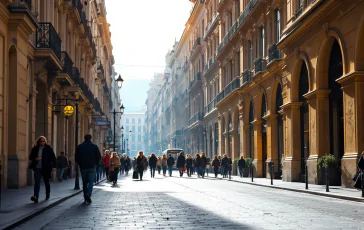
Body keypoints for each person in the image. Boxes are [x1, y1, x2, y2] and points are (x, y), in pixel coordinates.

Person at [29, 136, 56, 203]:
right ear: (38, 141)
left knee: (46, 182)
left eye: (43, 141)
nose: (42, 142)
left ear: (45, 141)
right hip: (37, 168)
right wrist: (35, 158)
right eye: (40, 141)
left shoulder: (48, 148)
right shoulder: (35, 148)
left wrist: (54, 166)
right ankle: (35, 197)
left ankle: (47, 193)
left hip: (46, 168)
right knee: (37, 182)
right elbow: (30, 157)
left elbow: (53, 158)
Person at [75, 134, 101, 204]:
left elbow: (76, 158)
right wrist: (96, 163)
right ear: (90, 138)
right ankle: (88, 195)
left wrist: (80, 164)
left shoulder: (79, 146)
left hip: (83, 167)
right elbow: (99, 157)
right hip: (92, 167)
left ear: (84, 138)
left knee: (84, 182)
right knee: (91, 182)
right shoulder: (94, 146)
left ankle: (85, 196)